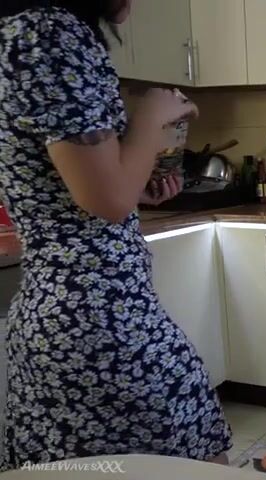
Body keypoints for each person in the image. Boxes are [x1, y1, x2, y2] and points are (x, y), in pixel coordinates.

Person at [0, 0, 233, 468]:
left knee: (84, 467)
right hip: (96, 317)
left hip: (70, 313)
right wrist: (151, 113)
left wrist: (135, 186)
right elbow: (108, 199)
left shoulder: (23, 32)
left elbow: (79, 190)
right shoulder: (50, 33)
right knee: (197, 457)